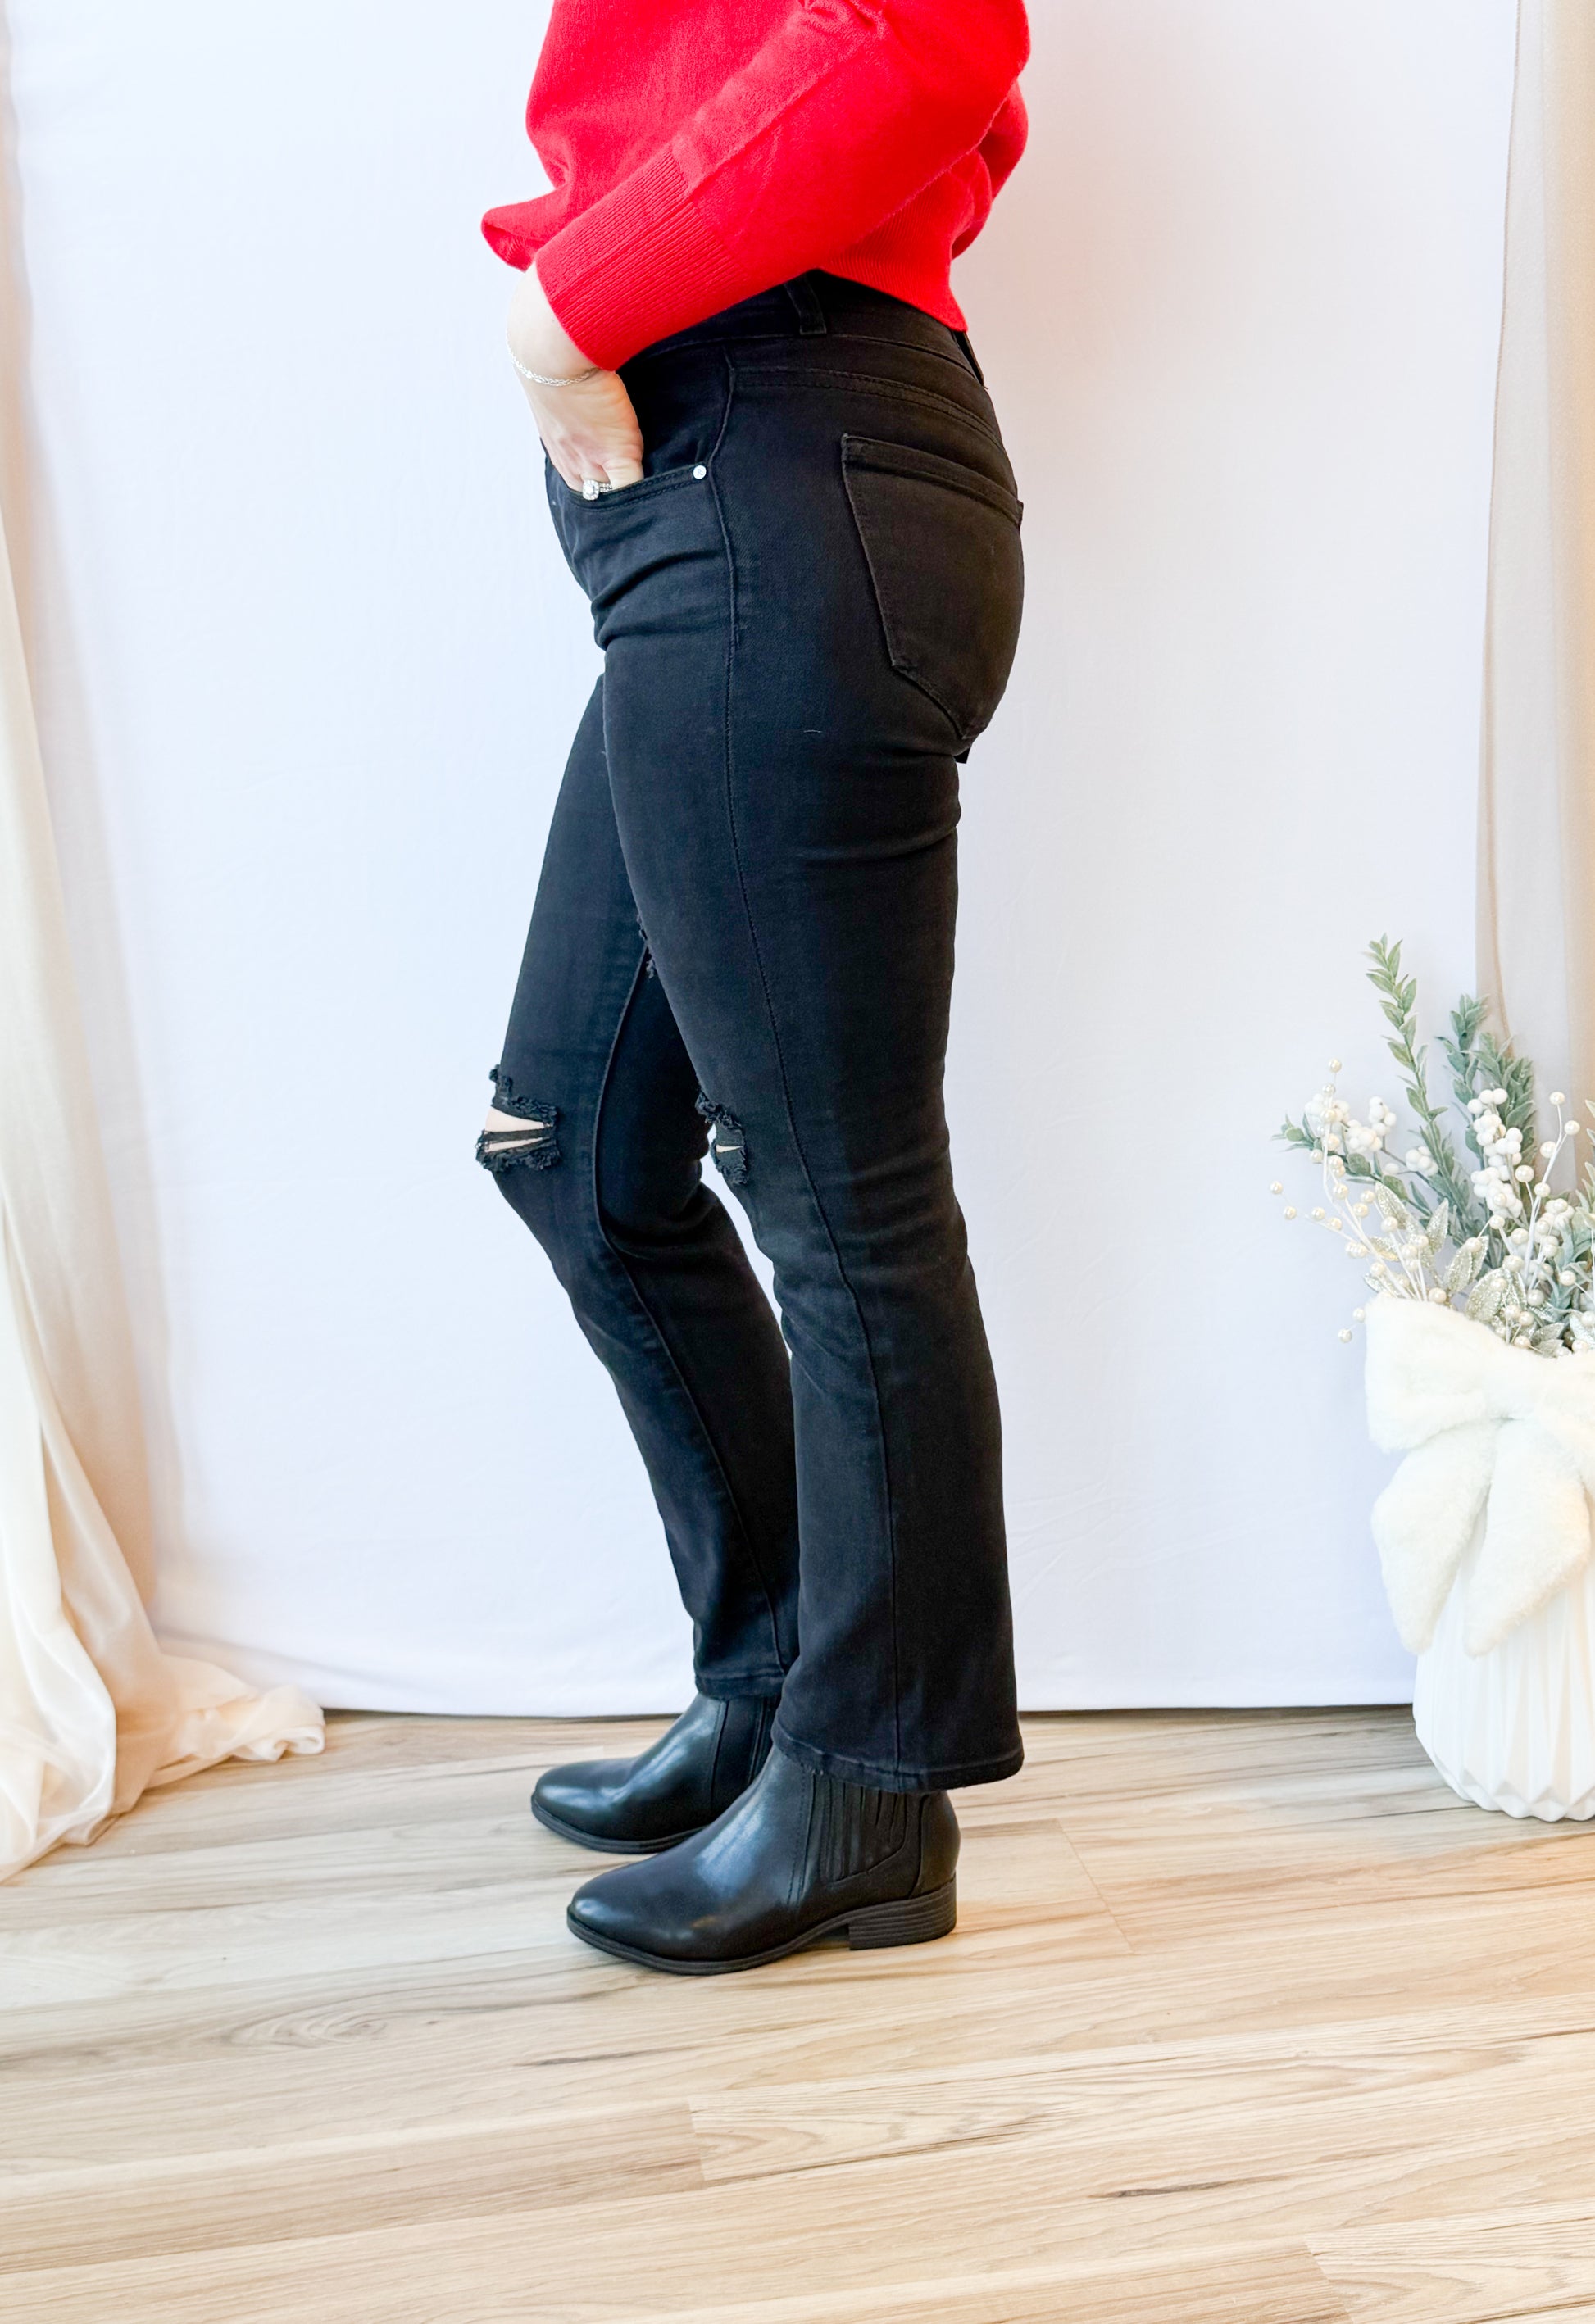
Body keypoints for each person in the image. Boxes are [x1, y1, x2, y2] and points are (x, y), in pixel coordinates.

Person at [479, 0, 1030, 1976]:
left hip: (789, 459)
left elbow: (926, 38)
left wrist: (572, 304)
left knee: (836, 1187)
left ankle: (871, 1789)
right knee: (572, 1137)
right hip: (719, 496)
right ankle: (782, 1679)